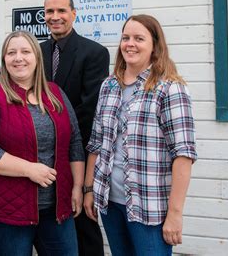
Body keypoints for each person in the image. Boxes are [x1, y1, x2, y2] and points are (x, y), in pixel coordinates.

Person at [83, 14, 197, 256]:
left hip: (150, 208)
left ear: (155, 46)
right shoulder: (109, 86)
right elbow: (96, 143)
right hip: (110, 203)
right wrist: (89, 189)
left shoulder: (169, 88)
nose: (130, 44)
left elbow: (183, 155)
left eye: (139, 38)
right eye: (125, 38)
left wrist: (175, 214)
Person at [0, 30, 85, 256]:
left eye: (25, 51)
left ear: (37, 58)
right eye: (11, 53)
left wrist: (77, 187)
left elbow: (75, 141)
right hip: (6, 211)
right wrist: (29, 170)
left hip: (56, 208)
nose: (18, 58)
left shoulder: (55, 94)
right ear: (4, 60)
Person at [40, 0, 109, 256]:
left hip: (75, 150)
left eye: (61, 11)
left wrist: (56, 135)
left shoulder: (94, 53)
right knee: (53, 220)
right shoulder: (38, 51)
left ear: (73, 14)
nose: (55, 17)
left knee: (82, 219)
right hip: (41, 152)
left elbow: (88, 108)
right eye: (49, 12)